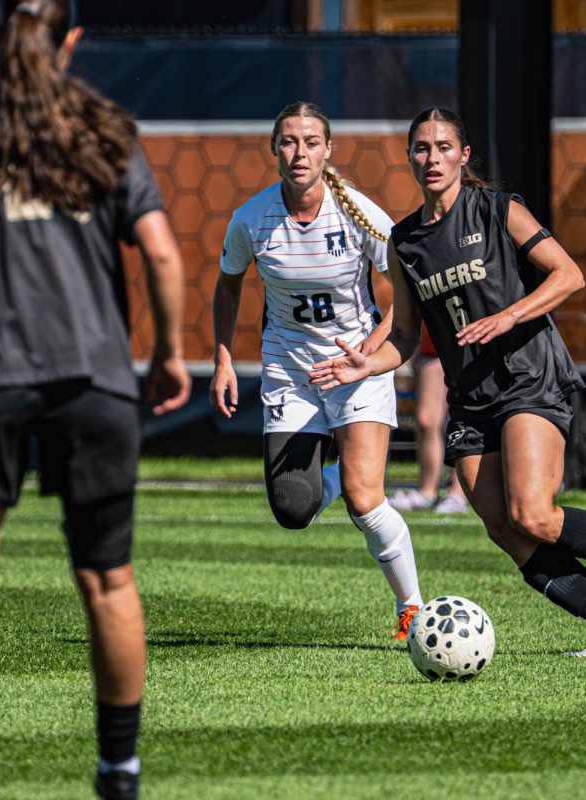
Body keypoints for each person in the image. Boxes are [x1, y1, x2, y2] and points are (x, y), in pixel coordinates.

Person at [0, 2, 190, 798]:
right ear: (74, 38)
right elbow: (159, 250)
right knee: (108, 579)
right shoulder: (105, 121)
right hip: (95, 381)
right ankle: (118, 769)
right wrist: (171, 355)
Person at [311, 107, 586, 657]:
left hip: (528, 377)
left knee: (533, 512)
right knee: (507, 531)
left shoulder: (498, 210)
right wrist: (366, 364)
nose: (432, 158)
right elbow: (408, 336)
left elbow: (569, 275)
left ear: (464, 157)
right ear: (411, 158)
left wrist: (511, 315)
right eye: (422, 148)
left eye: (444, 148)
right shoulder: (405, 242)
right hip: (470, 397)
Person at [212, 101, 424, 641]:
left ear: (328, 150)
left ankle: (413, 609)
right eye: (288, 141)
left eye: (310, 141)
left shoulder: (361, 214)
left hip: (357, 367)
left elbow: (407, 296)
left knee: (364, 500)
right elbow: (229, 282)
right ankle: (339, 469)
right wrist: (222, 359)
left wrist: (370, 353)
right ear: (274, 149)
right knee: (293, 508)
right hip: (290, 369)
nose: (299, 151)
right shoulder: (251, 219)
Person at [389, 325, 469, 514]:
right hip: (432, 343)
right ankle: (427, 492)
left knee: (464, 418)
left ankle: (458, 494)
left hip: (470, 342)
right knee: (426, 419)